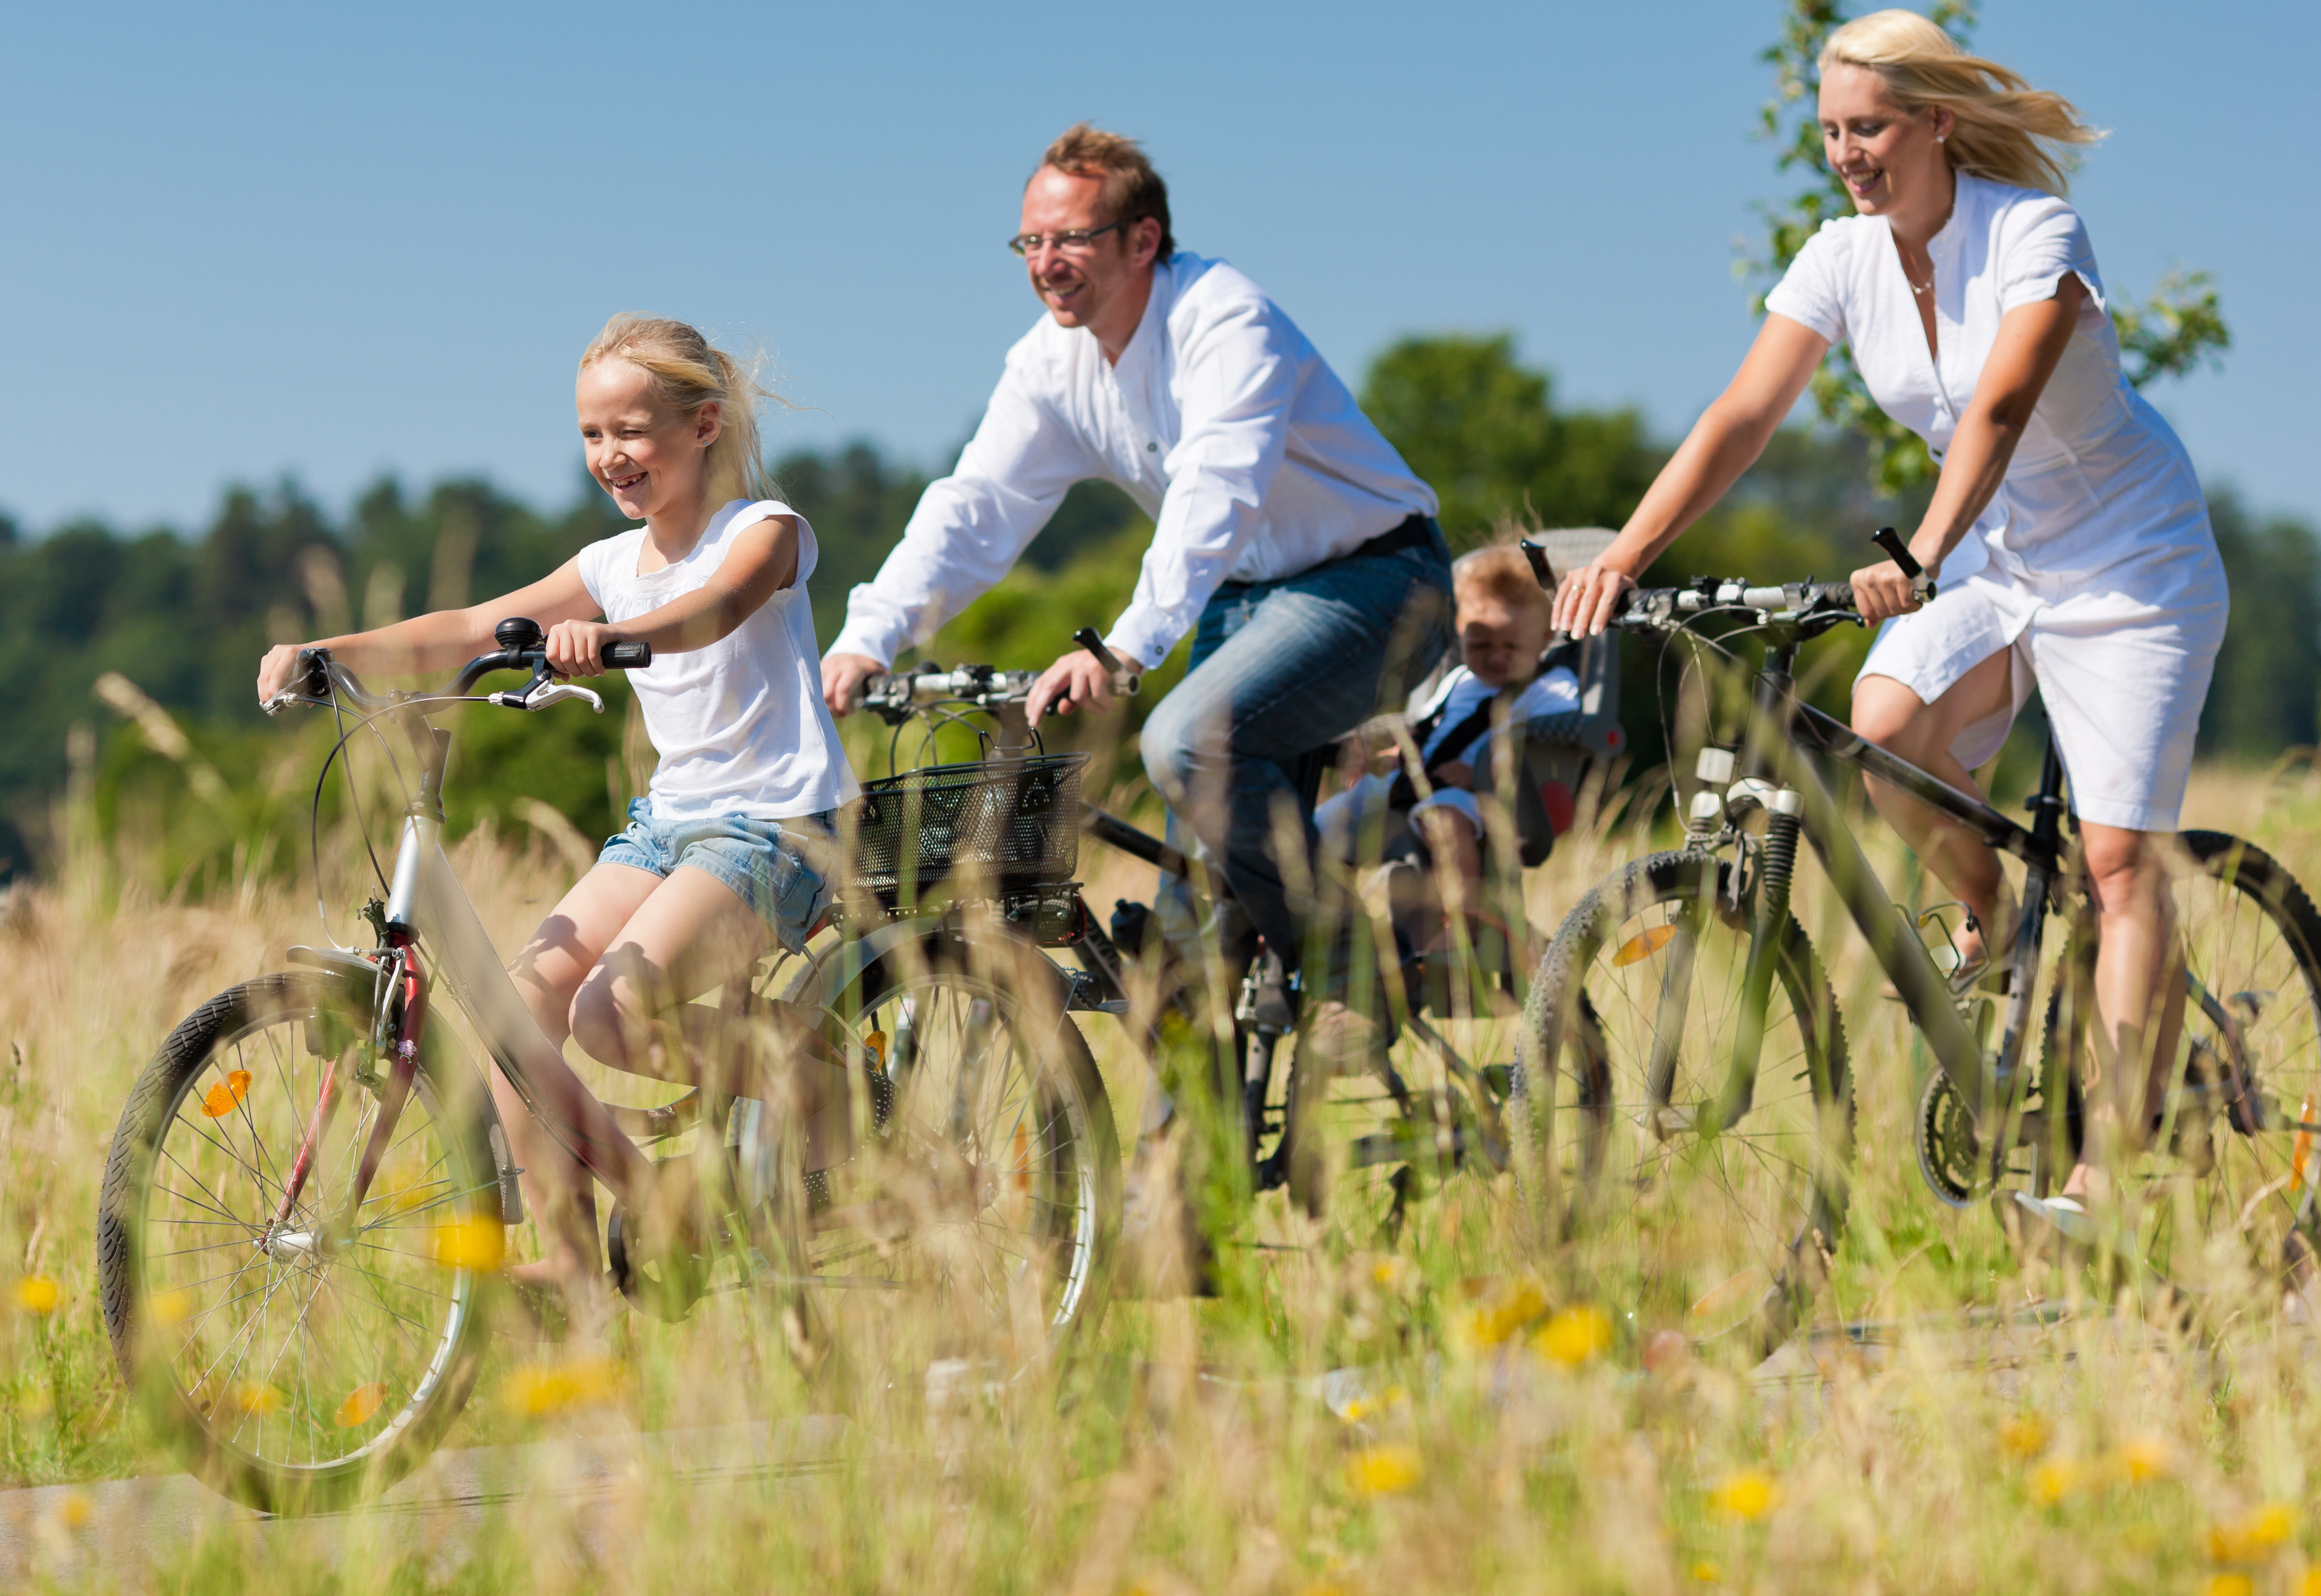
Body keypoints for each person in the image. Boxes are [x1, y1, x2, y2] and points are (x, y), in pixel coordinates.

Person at [1552, 10, 2227, 1236]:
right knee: (1883, 723)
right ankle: (2003, 920)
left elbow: (2003, 404)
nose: (1845, 153)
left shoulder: (2033, 231)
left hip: (2130, 565)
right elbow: (1742, 415)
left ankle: (2107, 1185)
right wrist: (1625, 554)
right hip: (2000, 563)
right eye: (1829, 131)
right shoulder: (1841, 257)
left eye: (1867, 127)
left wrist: (1919, 550)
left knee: (2120, 864)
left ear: (1937, 122)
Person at [258, 314, 858, 1305]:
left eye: (631, 430)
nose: (609, 454)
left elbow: (716, 609)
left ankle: (817, 1078)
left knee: (610, 1017)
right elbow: (470, 624)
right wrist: (329, 652)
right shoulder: (610, 563)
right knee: (516, 1009)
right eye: (591, 434)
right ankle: (580, 1261)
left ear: (704, 424)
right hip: (671, 823)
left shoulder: (765, 531)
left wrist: (616, 637)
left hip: (776, 824)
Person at [820, 123, 1451, 1001]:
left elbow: (1216, 485)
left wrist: (1126, 644)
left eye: (1071, 238)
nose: (1046, 263)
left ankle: (1351, 976)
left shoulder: (1225, 319)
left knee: (1187, 742)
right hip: (1245, 596)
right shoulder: (1048, 363)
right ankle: (1195, 1080)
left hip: (1378, 580)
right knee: (1189, 949)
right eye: (1030, 242)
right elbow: (979, 505)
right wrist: (871, 634)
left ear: (1143, 238)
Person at [1317, 536, 1581, 995]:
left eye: (1511, 646)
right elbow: (1427, 727)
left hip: (1488, 794)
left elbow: (1555, 732)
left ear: (1545, 637)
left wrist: (1484, 765)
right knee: (1327, 821)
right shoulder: (1460, 680)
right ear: (1461, 632)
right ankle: (1321, 921)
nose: (1495, 657)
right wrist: (1396, 754)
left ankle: (1465, 924)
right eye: (1480, 645)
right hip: (1419, 784)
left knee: (1444, 820)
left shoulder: (1550, 686)